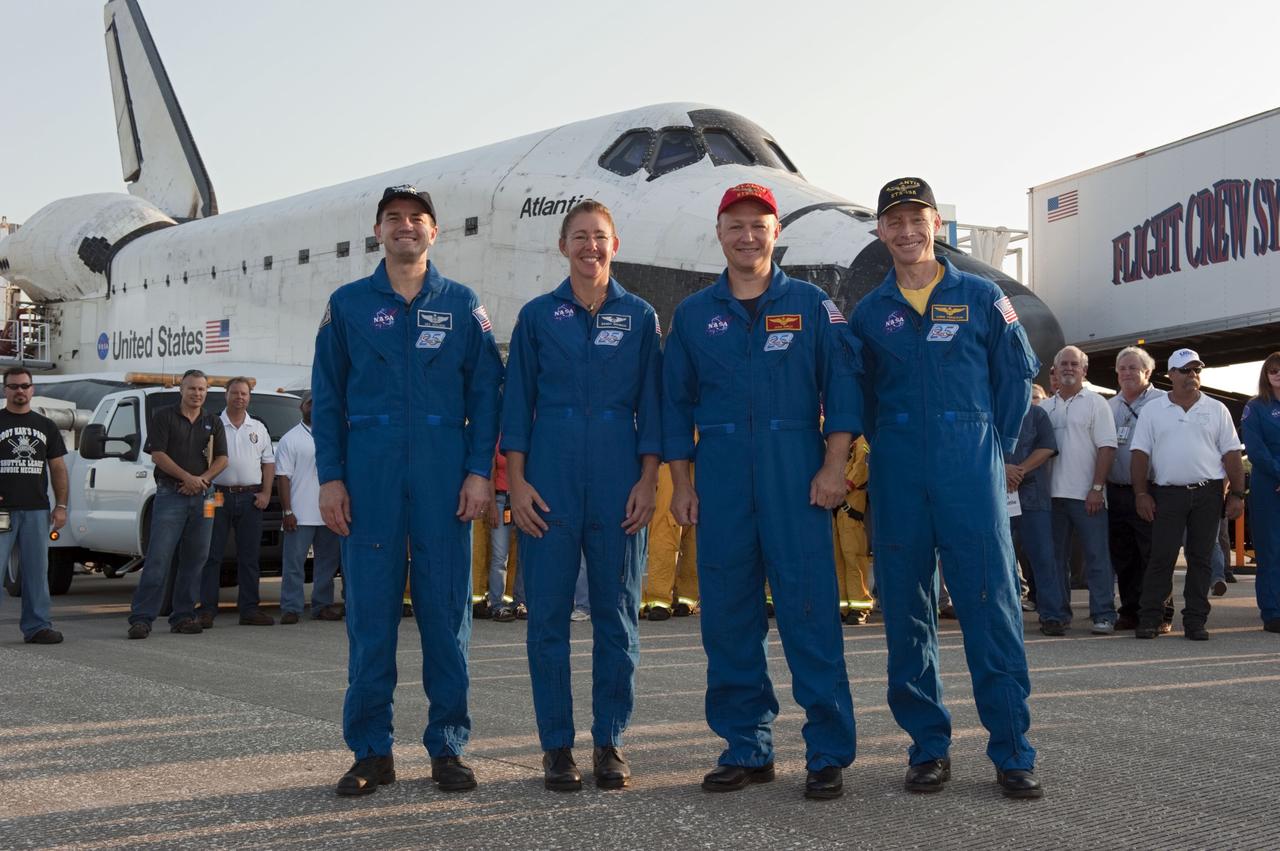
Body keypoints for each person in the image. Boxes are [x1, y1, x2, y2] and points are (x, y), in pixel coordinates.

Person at [664, 182, 860, 801]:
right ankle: (746, 746)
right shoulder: (695, 314)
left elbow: (845, 392)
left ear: (776, 233)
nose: (747, 236)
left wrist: (833, 467)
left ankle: (827, 751)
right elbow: (674, 406)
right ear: (719, 234)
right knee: (727, 616)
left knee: (808, 610)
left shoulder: (810, 304)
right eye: (735, 225)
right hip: (720, 474)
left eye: (759, 225)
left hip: (794, 469)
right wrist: (683, 484)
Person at [849, 177, 1042, 799]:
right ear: (881, 231)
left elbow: (1015, 378)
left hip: (970, 467)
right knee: (906, 614)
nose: (906, 231)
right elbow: (861, 396)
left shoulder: (983, 297)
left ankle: (1012, 751)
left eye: (916, 218)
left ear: (936, 224)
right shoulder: (870, 312)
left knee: (991, 608)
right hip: (900, 469)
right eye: (893, 221)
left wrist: (989, 445)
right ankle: (928, 748)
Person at [313, 185, 502, 796]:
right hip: (369, 477)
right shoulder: (347, 306)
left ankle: (448, 747)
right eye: (394, 218)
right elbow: (328, 398)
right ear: (378, 231)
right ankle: (372, 751)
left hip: (445, 475)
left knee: (447, 618)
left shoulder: (462, 303)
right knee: (370, 619)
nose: (406, 227)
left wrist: (479, 472)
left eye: (417, 219)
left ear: (433, 233)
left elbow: (486, 397)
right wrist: (332, 478)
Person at [502, 199, 661, 792]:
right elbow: (516, 405)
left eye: (600, 237)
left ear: (615, 245)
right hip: (550, 479)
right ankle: (557, 747)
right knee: (546, 617)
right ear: (562, 246)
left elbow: (655, 406)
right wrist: (516, 483)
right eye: (579, 236)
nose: (590, 246)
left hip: (621, 479)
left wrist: (648, 480)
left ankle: (610, 742)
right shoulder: (538, 317)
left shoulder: (641, 316)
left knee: (617, 618)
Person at [1131, 349, 1244, 640]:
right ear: (1170, 375)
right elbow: (1140, 455)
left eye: (1196, 370)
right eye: (1185, 370)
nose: (1192, 375)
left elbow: (1231, 454)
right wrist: (1141, 493)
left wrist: (1238, 494)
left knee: (1201, 558)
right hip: (1167, 494)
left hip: (1207, 494)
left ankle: (1195, 621)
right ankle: (1150, 618)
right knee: (1162, 557)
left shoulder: (1217, 409)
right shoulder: (1153, 410)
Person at [128, 369, 228, 638]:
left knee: (197, 558)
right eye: (192, 388)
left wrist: (202, 480)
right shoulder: (163, 418)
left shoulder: (213, 421)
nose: (197, 393)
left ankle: (183, 616)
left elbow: (222, 459)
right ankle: (142, 618)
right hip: (171, 494)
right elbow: (158, 455)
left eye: (202, 389)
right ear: (181, 390)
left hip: (206, 497)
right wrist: (187, 478)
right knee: (159, 558)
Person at [1040, 346, 1118, 634]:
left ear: (1085, 370)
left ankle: (1103, 614)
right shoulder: (1045, 407)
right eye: (1064, 364)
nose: (1069, 368)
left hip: (1087, 496)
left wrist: (1097, 488)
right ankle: (1057, 615)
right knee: (1055, 560)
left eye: (1075, 364)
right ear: (1055, 369)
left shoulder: (1097, 404)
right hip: (1050, 498)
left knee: (1096, 557)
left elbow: (1107, 448)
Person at [197, 376, 275, 627]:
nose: (239, 397)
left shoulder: (258, 428)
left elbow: (268, 463)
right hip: (216, 495)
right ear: (226, 395)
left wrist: (265, 493)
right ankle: (207, 610)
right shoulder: (212, 423)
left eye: (244, 394)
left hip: (251, 497)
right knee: (211, 553)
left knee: (249, 556)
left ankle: (250, 609)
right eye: (235, 393)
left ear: (249, 397)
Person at [0, 367, 69, 644]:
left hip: (37, 510)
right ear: (5, 390)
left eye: (25, 386)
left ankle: (37, 626)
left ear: (32, 389)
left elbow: (58, 469)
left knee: (36, 571)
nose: (20, 391)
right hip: (2, 511)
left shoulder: (46, 426)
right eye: (14, 386)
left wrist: (61, 506)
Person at [1106, 347, 1170, 632]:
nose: (1127, 373)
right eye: (1122, 368)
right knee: (1125, 556)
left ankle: (1160, 613)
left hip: (1150, 490)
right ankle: (1131, 610)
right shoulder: (1110, 405)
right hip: (1117, 491)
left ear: (1147, 371)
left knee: (1153, 555)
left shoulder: (1163, 403)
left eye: (1134, 368)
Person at [276, 391, 344, 623]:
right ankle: (291, 607)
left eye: (319, 402)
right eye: (309, 403)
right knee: (294, 564)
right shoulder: (290, 439)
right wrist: (287, 511)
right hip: (300, 514)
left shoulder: (335, 435)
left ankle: (322, 605)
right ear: (301, 407)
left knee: (327, 564)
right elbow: (283, 477)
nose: (314, 407)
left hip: (328, 513)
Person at [1006, 384, 1059, 632]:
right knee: (998, 559)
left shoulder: (1038, 415)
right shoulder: (992, 412)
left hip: (1033, 498)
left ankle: (1052, 615)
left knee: (1043, 558)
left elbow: (1047, 447)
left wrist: (1020, 470)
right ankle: (1003, 615)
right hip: (997, 497)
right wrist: (1003, 468)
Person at [1243, 352, 1280, 633]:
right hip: (1268, 486)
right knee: (1270, 550)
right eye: (1273, 370)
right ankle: (1272, 611)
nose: (1278, 374)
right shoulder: (1255, 408)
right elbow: (1255, 449)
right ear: (1266, 375)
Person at [643, 462, 699, 621]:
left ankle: (686, 596)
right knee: (665, 527)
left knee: (693, 529)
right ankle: (660, 597)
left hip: (699, 452)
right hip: (670, 455)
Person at [834, 436, 873, 625]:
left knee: (854, 556)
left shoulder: (861, 440)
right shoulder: (828, 434)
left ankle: (860, 605)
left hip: (850, 507)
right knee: (836, 558)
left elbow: (861, 468)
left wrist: (843, 487)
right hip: (832, 504)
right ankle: (841, 605)